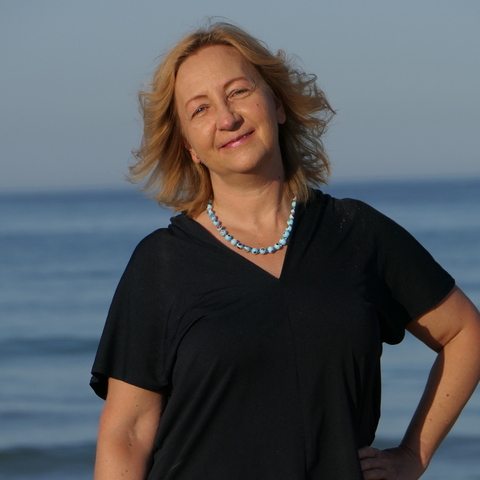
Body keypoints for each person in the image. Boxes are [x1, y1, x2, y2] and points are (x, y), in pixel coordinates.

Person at [90, 22, 480, 480]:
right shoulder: (161, 264)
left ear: (276, 103)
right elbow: (127, 433)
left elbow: (464, 333)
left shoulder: (356, 233)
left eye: (238, 92)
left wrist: (414, 454)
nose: (227, 118)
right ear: (189, 146)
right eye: (200, 109)